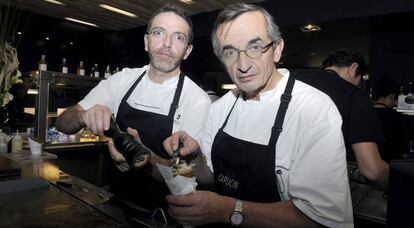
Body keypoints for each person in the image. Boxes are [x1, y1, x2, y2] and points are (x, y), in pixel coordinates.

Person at [163, 3, 353, 227]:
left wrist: (226, 210)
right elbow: (207, 178)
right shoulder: (220, 108)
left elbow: (323, 220)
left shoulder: (314, 109)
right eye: (230, 52)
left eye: (255, 47)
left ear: (278, 48)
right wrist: (192, 159)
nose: (243, 65)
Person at [55, 3, 211, 211]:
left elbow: (187, 178)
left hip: (163, 214)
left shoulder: (197, 100)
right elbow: (63, 123)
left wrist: (144, 160)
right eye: (159, 33)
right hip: (115, 202)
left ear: (187, 50)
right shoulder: (122, 81)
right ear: (146, 41)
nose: (166, 44)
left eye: (178, 37)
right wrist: (84, 116)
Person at [298, 50, 389, 189]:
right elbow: (372, 170)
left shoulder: (294, 85)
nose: (357, 85)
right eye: (359, 81)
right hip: (323, 188)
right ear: (353, 69)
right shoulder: (355, 94)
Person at [373, 75, 410, 162]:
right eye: (395, 99)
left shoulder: (364, 114)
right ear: (391, 96)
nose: (395, 103)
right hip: (391, 168)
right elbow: (404, 154)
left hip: (368, 166)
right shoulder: (396, 117)